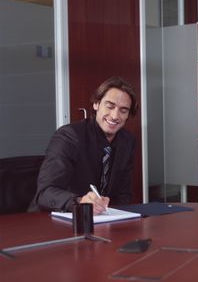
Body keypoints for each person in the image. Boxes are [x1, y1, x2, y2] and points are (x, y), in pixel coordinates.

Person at [28, 76, 138, 215]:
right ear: (96, 104)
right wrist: (80, 202)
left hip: (101, 219)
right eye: (109, 106)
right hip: (52, 219)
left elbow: (123, 195)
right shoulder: (69, 137)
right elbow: (45, 193)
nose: (115, 115)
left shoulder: (126, 141)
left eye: (123, 110)